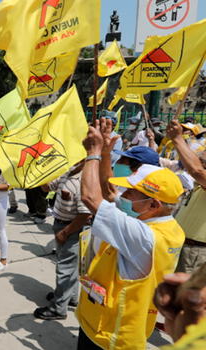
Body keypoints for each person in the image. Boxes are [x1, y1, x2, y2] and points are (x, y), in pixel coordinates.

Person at [77, 119, 186, 349]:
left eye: (132, 193)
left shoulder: (143, 236)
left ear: (153, 204)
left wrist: (93, 153)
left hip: (110, 335)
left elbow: (90, 197)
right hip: (115, 326)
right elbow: (109, 191)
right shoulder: (169, 227)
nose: (124, 195)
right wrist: (106, 153)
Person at [34, 162, 92, 320]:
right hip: (61, 225)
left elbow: (85, 215)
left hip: (71, 229)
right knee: (70, 267)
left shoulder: (83, 181)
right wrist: (40, 173)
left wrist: (65, 232)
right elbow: (47, 188)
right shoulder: (68, 172)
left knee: (65, 269)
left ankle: (58, 308)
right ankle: (70, 298)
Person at [166, 120, 206, 274]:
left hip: (195, 254)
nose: (201, 152)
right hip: (186, 249)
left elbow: (196, 170)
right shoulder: (198, 183)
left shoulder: (200, 176)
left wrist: (177, 139)